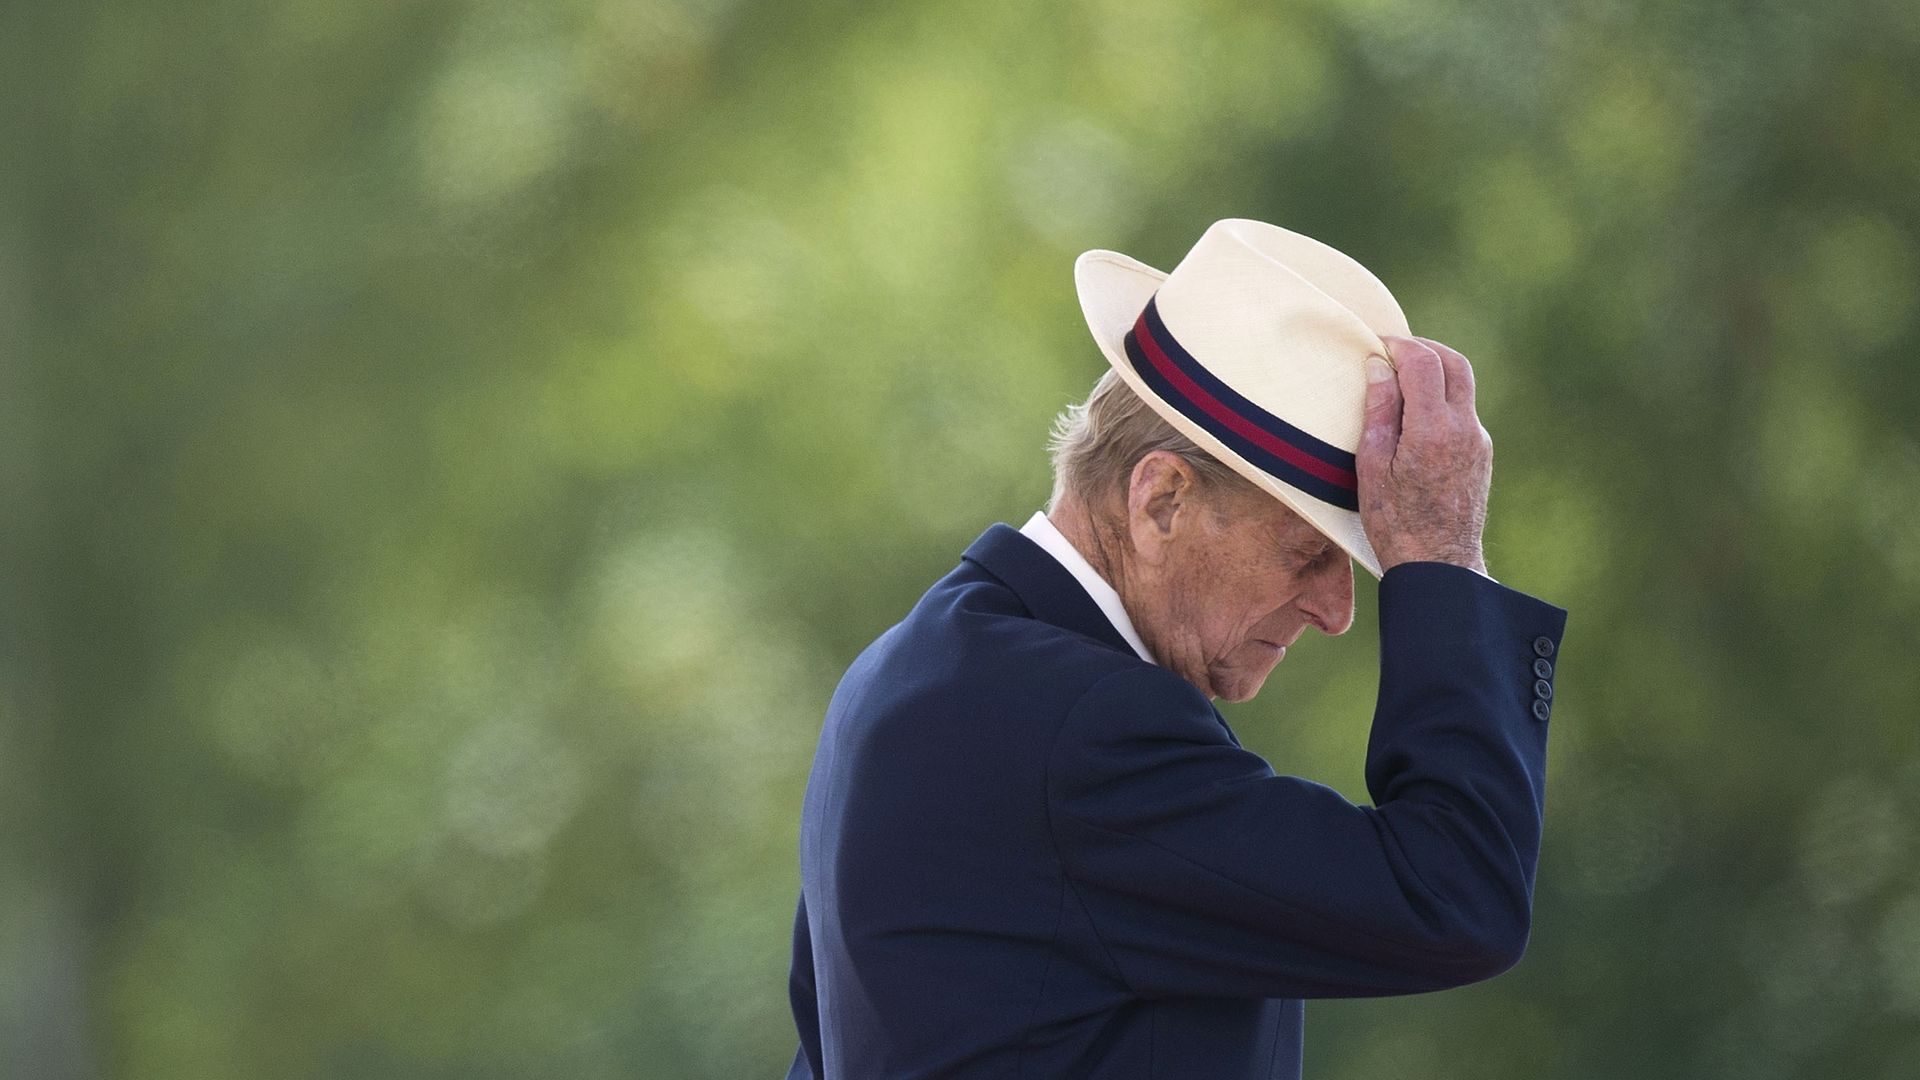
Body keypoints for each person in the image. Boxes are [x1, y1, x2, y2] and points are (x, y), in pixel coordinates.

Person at [780, 219, 1568, 1079]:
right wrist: (1445, 564)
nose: (1340, 612)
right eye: (1309, 554)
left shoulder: (907, 670)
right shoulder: (1084, 727)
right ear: (1161, 500)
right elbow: (1457, 898)